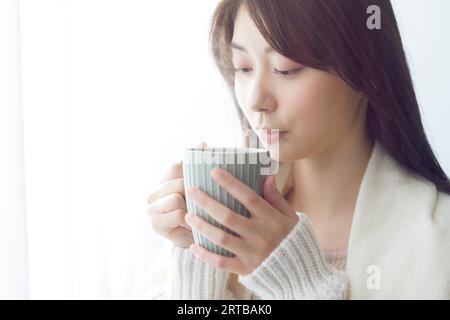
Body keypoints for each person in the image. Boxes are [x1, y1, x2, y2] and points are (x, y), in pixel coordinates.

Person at [132, 0, 450, 299]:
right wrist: (199, 260)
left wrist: (301, 285)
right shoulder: (223, 215)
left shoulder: (437, 239)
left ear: (367, 72)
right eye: (243, 67)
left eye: (285, 69)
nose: (256, 100)